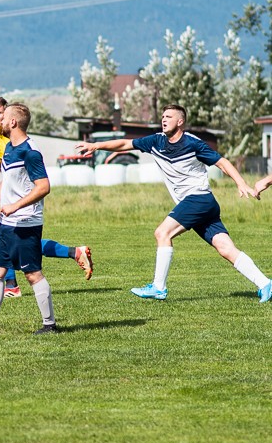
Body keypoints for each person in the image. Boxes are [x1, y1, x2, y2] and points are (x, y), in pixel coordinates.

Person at [76, 104, 272, 302]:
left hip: (198, 199)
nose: (164, 119)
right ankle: (265, 283)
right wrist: (96, 146)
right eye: (163, 116)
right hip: (202, 204)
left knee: (162, 233)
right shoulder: (156, 141)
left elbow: (222, 162)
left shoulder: (193, 144)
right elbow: (125, 144)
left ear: (180, 122)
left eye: (168, 116)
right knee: (225, 248)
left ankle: (158, 287)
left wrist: (241, 183)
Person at [0, 96, 93, 298]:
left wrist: (4, 200)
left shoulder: (14, 138)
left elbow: (23, 176)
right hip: (9, 198)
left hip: (21, 201)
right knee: (6, 240)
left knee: (5, 239)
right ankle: (74, 252)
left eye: (0, 113)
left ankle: (12, 285)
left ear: (11, 118)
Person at [0, 103, 59, 336]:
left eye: (4, 117)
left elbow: (43, 187)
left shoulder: (30, 152)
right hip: (6, 224)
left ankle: (50, 325)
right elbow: (8, 179)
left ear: (13, 122)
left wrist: (15, 206)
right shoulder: (8, 148)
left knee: (32, 274)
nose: (0, 120)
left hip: (26, 223)